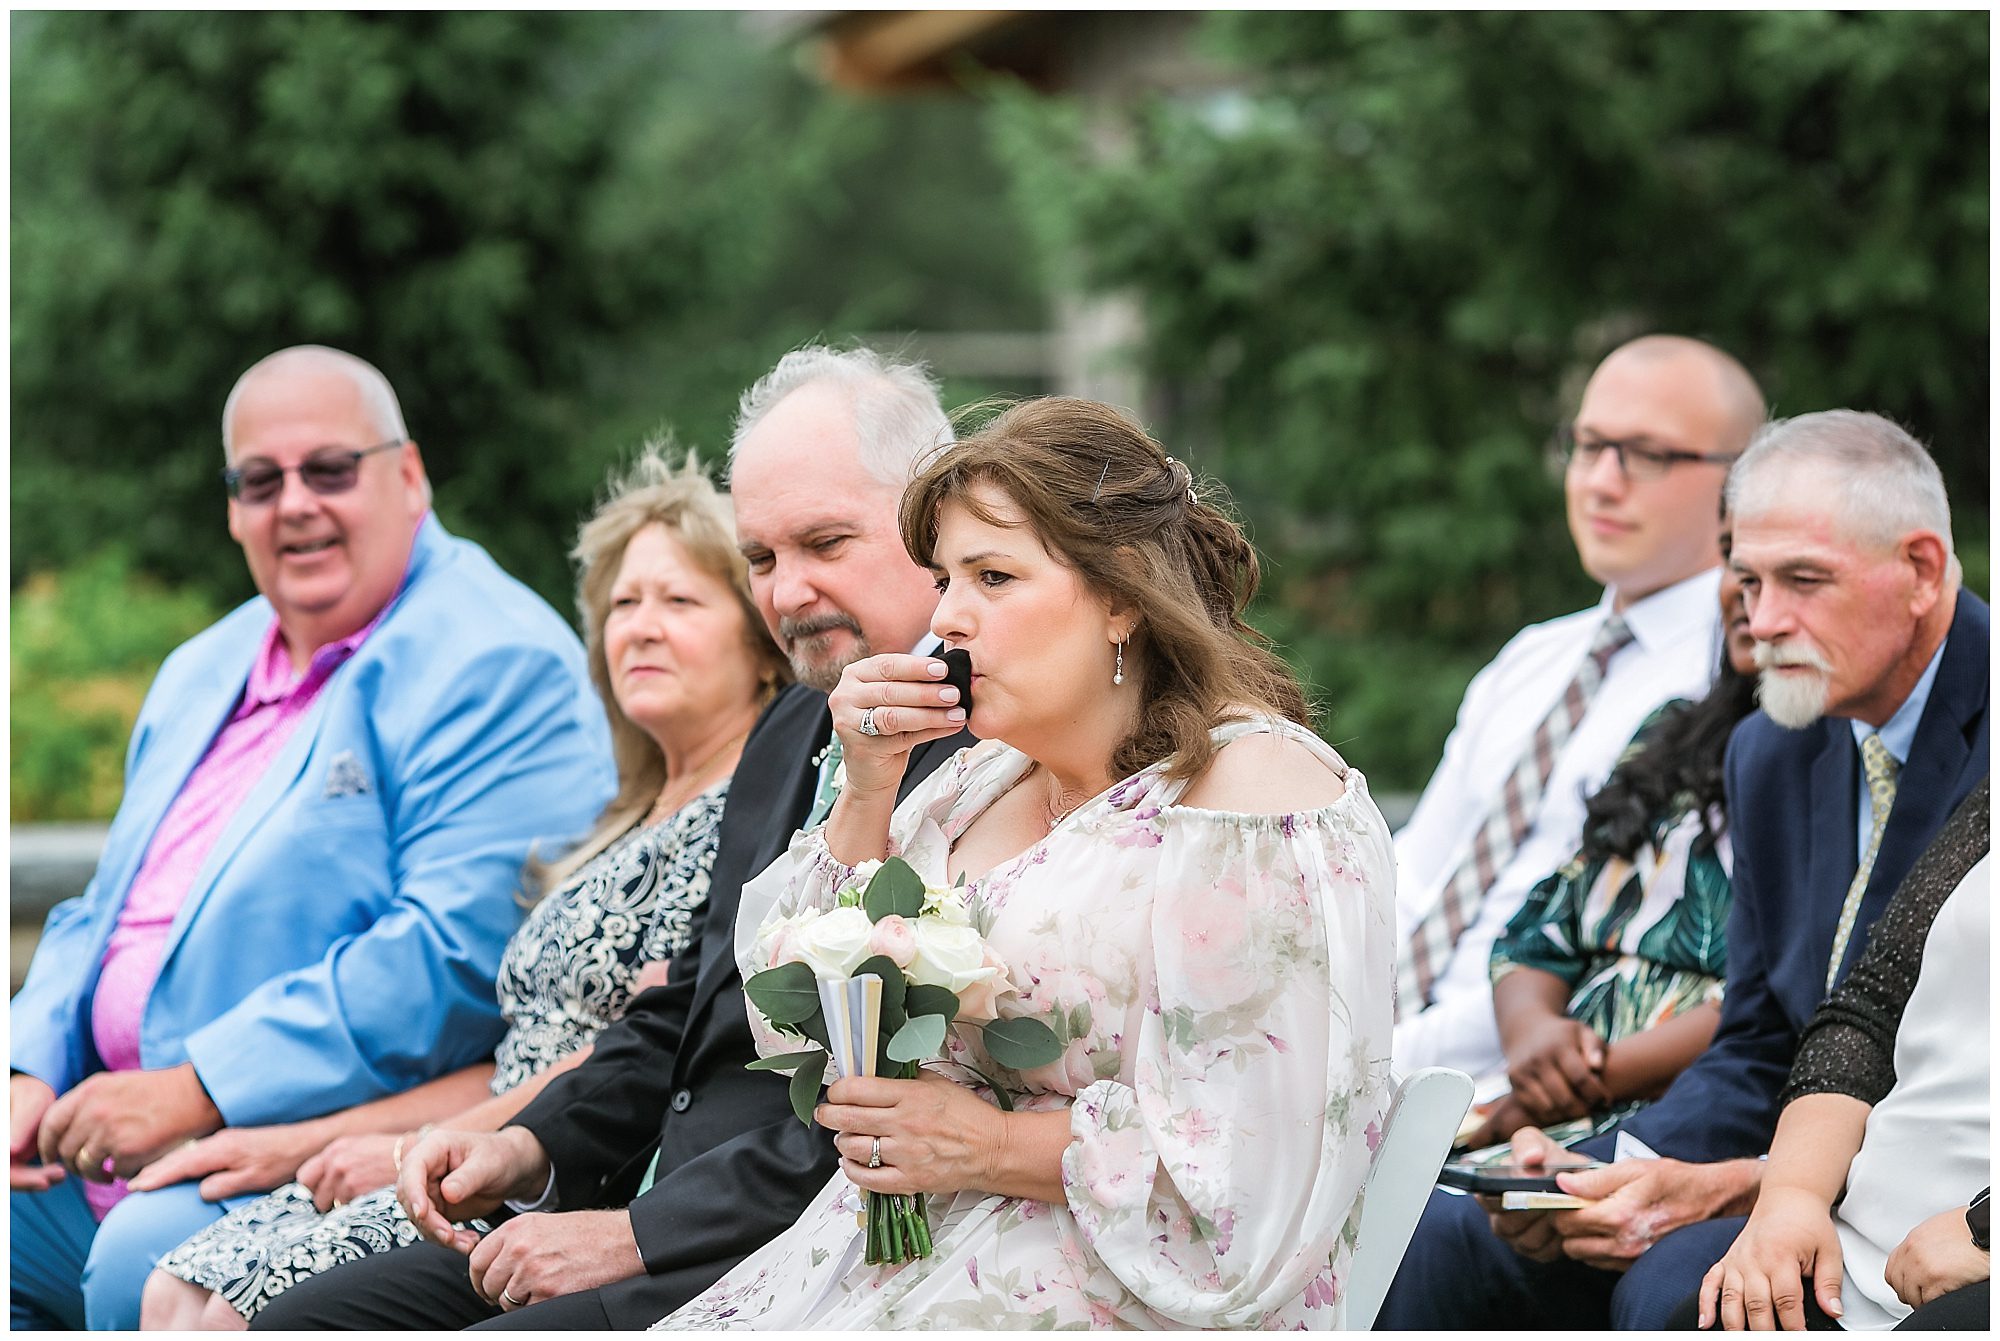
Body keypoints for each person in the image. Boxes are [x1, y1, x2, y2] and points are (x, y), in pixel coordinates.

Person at [247, 343, 970, 1330]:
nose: (788, 594)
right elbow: (687, 1012)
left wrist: (639, 1235)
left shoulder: (993, 742)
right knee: (303, 1320)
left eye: (824, 543)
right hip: (642, 1196)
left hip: (811, 1246)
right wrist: (528, 1144)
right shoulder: (789, 729)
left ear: (932, 520)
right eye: (762, 559)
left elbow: (914, 1101)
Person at [653, 395, 1397, 1329]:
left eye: (994, 577)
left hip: (1105, 1293)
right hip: (881, 1257)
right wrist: (867, 786)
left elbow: (1252, 1164)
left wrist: (992, 1144)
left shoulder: (1251, 798)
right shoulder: (977, 780)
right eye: (945, 579)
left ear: (1122, 595)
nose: (948, 619)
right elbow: (792, 1020)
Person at [8, 346, 613, 1330]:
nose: (294, 503)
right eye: (260, 480)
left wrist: (200, 1087)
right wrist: (29, 1066)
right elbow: (104, 907)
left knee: (138, 1268)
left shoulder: (497, 660)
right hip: (95, 1135)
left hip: (298, 1142)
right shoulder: (202, 667)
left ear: (408, 475)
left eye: (330, 469)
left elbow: (450, 956)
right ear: (233, 508)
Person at [137, 449, 789, 1328]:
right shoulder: (615, 821)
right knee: (173, 1289)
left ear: (760, 644)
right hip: (481, 1142)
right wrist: (389, 1138)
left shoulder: (743, 817)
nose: (640, 627)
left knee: (231, 1310)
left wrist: (427, 1145)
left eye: (679, 601)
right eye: (623, 604)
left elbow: (648, 1043)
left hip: (570, 1165)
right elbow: (517, 1042)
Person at [1378, 410, 1989, 1331]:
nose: (1763, 620)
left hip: (1939, 1194)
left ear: (1923, 569)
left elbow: (1920, 1061)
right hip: (1784, 1159)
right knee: (1449, 1235)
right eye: (1747, 579)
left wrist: (1751, 1187)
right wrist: (1618, 1167)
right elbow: (1758, 1041)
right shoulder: (1772, 747)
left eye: (1804, 580)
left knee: (1680, 1292)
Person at [1394, 335, 1765, 1081]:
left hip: (1526, 1087)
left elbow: (1619, 950)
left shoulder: (1738, 678)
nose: (1601, 481)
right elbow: (1408, 881)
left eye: (1647, 454)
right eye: (1589, 445)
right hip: (1375, 1045)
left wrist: (1380, 1062)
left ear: (1743, 480)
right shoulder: (1534, 658)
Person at [1463, 514, 1761, 1150]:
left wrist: (1579, 1081)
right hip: (1547, 1095)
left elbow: (1773, 1003)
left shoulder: (1835, 769)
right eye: (1736, 560)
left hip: (1685, 1118)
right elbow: (1542, 926)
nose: (1747, 587)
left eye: (1793, 569)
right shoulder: (1672, 734)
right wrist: (1532, 1033)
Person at [1682, 778, 1989, 1331]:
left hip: (1974, 1261)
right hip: (1865, 1236)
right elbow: (1872, 1004)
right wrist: (1791, 1198)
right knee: (1703, 1313)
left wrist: (1986, 1228)